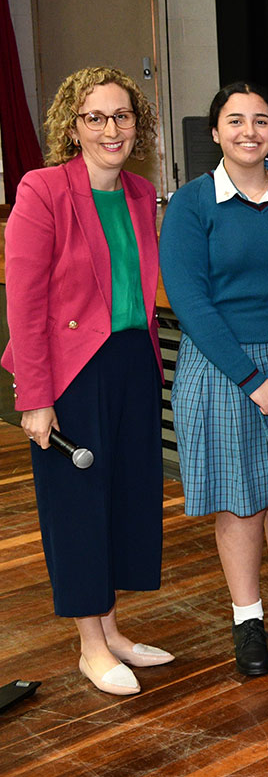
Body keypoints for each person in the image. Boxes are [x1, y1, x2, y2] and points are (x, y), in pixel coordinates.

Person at [3, 66, 170, 695]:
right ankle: (90, 646)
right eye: (95, 117)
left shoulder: (138, 190)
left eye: (121, 116)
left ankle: (112, 628)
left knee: (122, 500)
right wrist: (35, 399)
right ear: (72, 126)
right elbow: (24, 304)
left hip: (129, 361)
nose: (110, 128)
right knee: (76, 508)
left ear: (137, 125)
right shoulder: (41, 189)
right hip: (70, 372)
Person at [160, 82, 268, 678]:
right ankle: (247, 617)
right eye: (236, 120)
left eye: (262, 120)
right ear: (216, 132)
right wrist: (252, 379)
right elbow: (191, 302)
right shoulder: (192, 205)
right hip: (223, 366)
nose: (250, 131)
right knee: (240, 496)